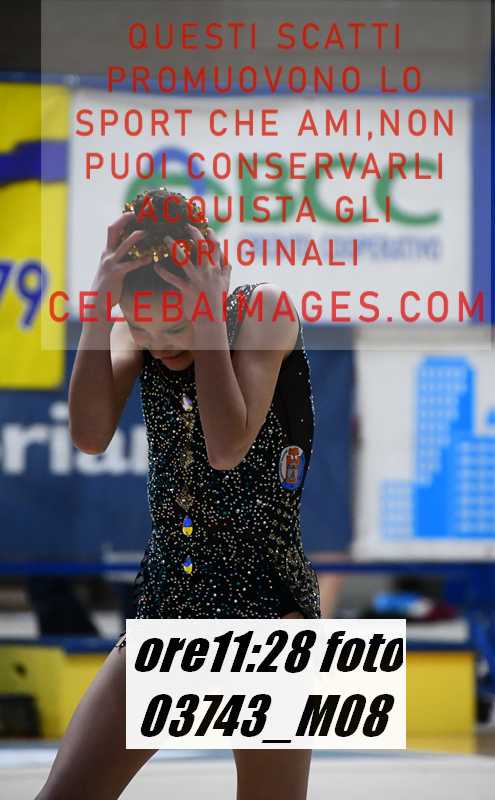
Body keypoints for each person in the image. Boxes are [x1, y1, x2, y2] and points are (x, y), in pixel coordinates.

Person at [35, 188, 321, 800]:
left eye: (176, 323)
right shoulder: (135, 329)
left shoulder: (263, 310)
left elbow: (226, 447)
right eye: (142, 326)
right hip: (173, 595)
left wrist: (210, 320)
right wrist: (98, 311)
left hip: (266, 604)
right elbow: (89, 436)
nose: (160, 341)